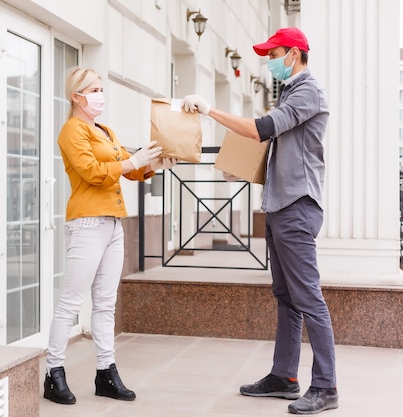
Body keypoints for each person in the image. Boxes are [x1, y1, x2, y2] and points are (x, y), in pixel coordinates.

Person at [182, 27, 338, 415]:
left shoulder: (308, 90)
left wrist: (209, 110)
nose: (270, 60)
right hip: (280, 206)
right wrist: (238, 168)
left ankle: (326, 386)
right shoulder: (289, 92)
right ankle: (284, 377)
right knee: (286, 296)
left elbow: (261, 129)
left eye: (275, 52)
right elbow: (274, 147)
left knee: (308, 297)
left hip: (297, 208)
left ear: (294, 54)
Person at [43, 67, 177, 405]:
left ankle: (106, 372)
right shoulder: (72, 131)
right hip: (87, 222)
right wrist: (133, 160)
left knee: (105, 303)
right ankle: (53, 372)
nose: (100, 95)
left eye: (101, 88)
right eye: (93, 89)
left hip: (114, 223)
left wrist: (154, 165)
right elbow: (93, 173)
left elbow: (125, 170)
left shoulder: (103, 129)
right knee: (71, 302)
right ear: (76, 96)